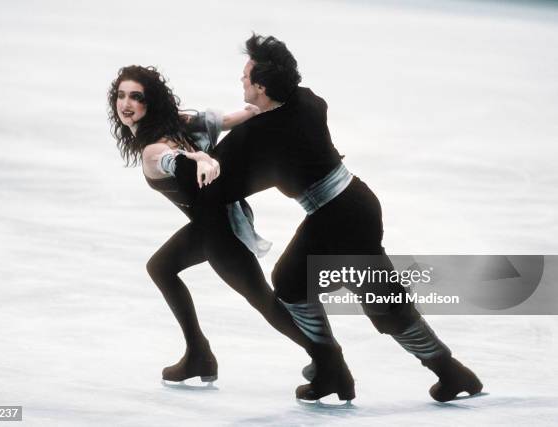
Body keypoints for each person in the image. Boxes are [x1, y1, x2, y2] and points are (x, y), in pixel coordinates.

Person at [196, 34, 483, 403]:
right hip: (355, 204)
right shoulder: (307, 101)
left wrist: (192, 150)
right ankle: (447, 372)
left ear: (262, 88)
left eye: (247, 75)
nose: (241, 78)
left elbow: (219, 185)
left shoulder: (261, 134)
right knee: (365, 294)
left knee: (297, 282)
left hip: (338, 218)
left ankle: (334, 370)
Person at [107, 65, 317, 384]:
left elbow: (172, 157)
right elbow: (233, 119)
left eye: (136, 97)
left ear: (150, 102)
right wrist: (261, 109)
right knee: (161, 267)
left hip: (220, 232)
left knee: (264, 301)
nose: (126, 104)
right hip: (213, 224)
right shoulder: (177, 122)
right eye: (121, 96)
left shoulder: (154, 149)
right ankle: (198, 355)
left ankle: (324, 357)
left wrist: (202, 159)